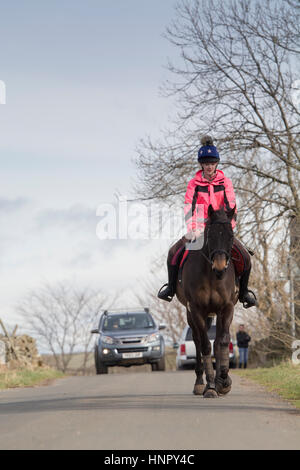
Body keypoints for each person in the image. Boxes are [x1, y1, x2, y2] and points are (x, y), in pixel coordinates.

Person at [157, 135, 257, 308]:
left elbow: (231, 205)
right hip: (200, 228)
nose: (209, 167)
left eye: (212, 163)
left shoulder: (226, 182)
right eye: (206, 164)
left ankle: (244, 293)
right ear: (201, 165)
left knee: (246, 257)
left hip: (221, 228)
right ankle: (171, 288)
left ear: (216, 164)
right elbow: (189, 206)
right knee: (173, 252)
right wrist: (194, 229)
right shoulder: (194, 184)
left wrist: (227, 228)